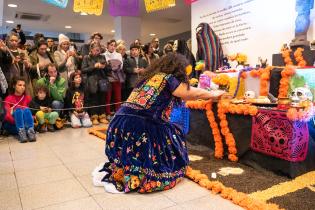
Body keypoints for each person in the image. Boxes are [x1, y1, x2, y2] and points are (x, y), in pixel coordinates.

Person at [93, 53, 226, 193]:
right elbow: (191, 93)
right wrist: (213, 94)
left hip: (118, 123)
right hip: (141, 125)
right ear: (178, 68)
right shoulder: (169, 79)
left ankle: (125, 167)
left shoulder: (148, 77)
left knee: (167, 126)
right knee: (174, 132)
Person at [81, 41, 110, 125]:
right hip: (91, 81)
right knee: (93, 99)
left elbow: (108, 70)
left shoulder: (103, 56)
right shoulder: (86, 57)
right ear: (91, 49)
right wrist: (94, 66)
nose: (98, 52)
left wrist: (105, 66)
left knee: (102, 98)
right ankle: (94, 117)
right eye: (96, 50)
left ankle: (102, 116)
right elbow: (83, 69)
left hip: (102, 80)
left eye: (99, 50)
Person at [2, 77, 36, 143]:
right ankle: (23, 132)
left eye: (24, 85)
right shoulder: (8, 98)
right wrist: (19, 121)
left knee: (26, 110)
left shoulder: (27, 97)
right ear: (14, 86)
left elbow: (34, 109)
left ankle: (30, 131)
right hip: (12, 123)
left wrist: (31, 118)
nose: (22, 87)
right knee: (18, 110)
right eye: (20, 85)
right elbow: (7, 116)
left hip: (25, 123)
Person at [103, 39, 125, 120]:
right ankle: (108, 114)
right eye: (111, 45)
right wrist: (113, 64)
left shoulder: (118, 55)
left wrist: (110, 63)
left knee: (118, 98)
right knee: (107, 98)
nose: (113, 47)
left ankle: (118, 113)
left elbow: (120, 66)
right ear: (108, 45)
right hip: (107, 79)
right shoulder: (103, 55)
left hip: (117, 79)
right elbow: (105, 67)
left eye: (114, 45)